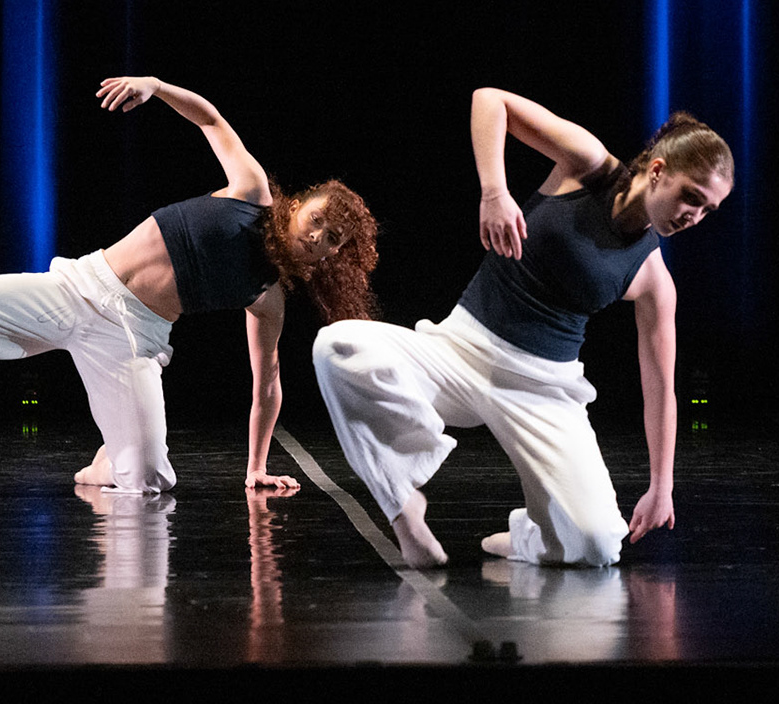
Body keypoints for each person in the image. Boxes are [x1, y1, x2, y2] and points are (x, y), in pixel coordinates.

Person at [313, 89, 733, 569]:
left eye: (708, 210)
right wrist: (495, 192)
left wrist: (662, 487)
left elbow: (660, 387)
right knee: (338, 345)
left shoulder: (654, 280)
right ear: (658, 170)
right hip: (459, 350)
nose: (694, 217)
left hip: (543, 389)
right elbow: (491, 102)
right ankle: (404, 506)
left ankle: (525, 538)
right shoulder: (589, 164)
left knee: (598, 545)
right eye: (691, 198)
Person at [0, 75, 378, 493]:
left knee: (151, 481)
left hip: (132, 338)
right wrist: (155, 86)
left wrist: (256, 466)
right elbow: (211, 120)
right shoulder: (251, 192)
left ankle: (109, 464)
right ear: (297, 206)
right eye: (316, 220)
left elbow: (267, 383)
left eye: (331, 238)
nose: (316, 237)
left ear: (333, 254)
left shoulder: (267, 296)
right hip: (81, 287)